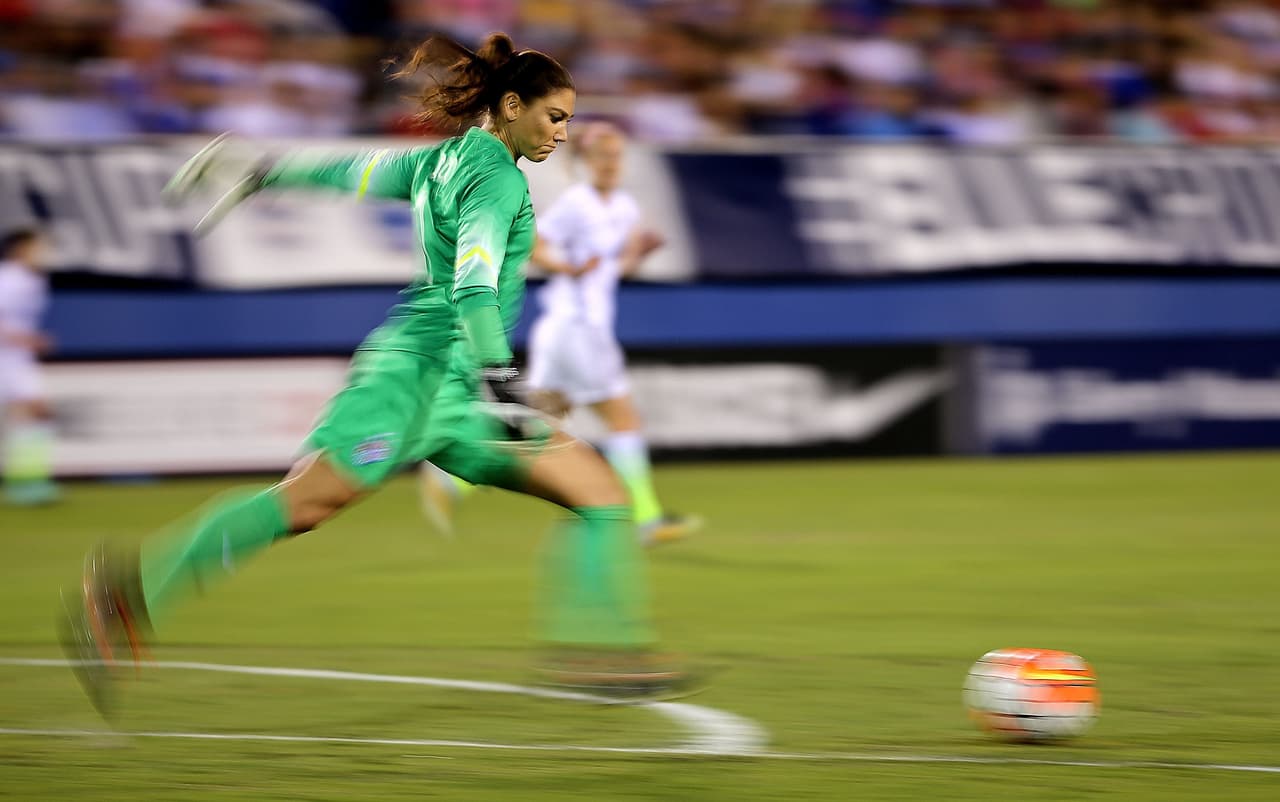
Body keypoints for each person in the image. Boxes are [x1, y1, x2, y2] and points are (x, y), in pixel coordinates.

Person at [59, 33, 696, 719]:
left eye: (568, 120)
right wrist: (506, 385)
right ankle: (127, 593)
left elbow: (354, 173)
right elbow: (474, 288)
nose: (563, 133)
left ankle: (603, 653)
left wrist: (265, 171)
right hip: (415, 376)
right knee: (304, 505)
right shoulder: (496, 178)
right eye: (554, 117)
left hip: (452, 390)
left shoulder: (443, 161)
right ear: (512, 105)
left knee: (600, 494)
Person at [420, 121, 700, 546]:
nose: (610, 164)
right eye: (600, 156)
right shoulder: (577, 203)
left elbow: (610, 269)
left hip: (574, 329)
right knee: (622, 418)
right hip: (577, 327)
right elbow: (535, 244)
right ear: (582, 163)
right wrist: (567, 267)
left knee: (540, 416)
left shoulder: (622, 208)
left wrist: (638, 253)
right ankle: (647, 519)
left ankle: (451, 478)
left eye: (616, 155)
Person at [0, 227, 59, 506]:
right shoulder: (10, 278)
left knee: (36, 414)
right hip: (6, 357)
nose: (44, 253)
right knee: (33, 414)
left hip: (16, 359)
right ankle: (26, 485)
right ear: (21, 249)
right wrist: (27, 339)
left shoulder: (32, 280)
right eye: (38, 247)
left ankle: (27, 484)